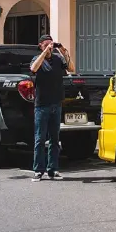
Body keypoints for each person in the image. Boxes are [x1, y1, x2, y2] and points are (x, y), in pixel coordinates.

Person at [29, 34, 71, 182]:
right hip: (42, 105)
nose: (49, 47)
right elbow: (33, 69)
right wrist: (44, 52)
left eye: (51, 44)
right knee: (40, 139)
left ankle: (52, 170)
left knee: (55, 139)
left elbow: (71, 68)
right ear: (40, 45)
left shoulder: (58, 60)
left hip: (56, 103)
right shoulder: (37, 59)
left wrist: (63, 51)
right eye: (46, 44)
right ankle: (38, 171)